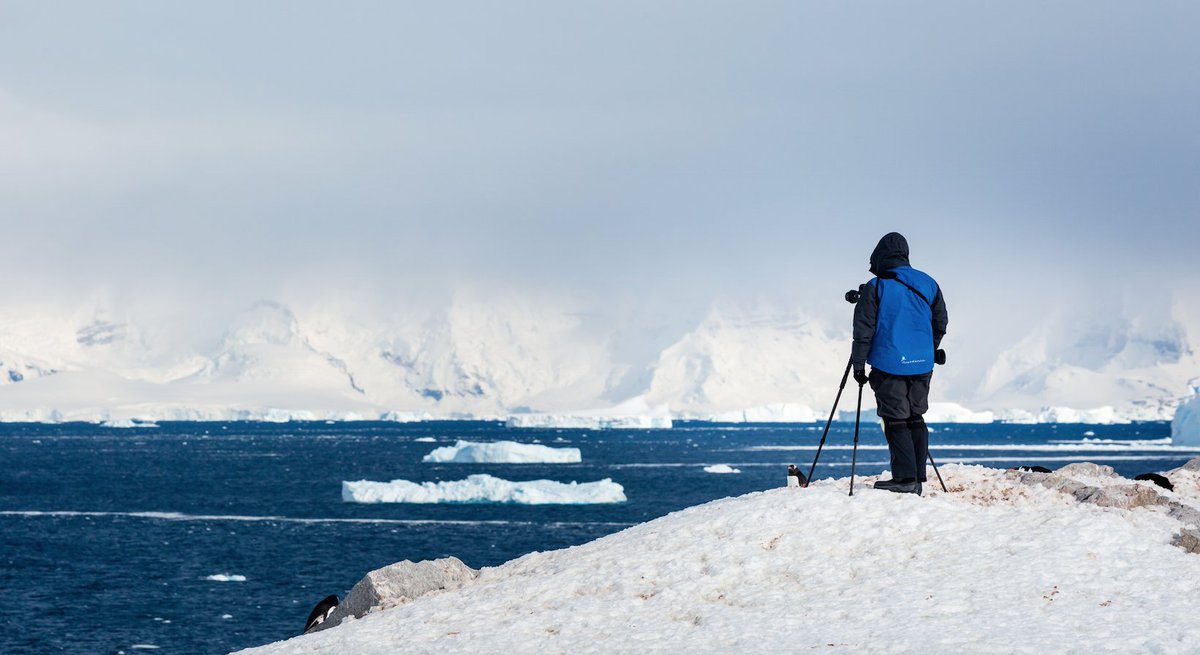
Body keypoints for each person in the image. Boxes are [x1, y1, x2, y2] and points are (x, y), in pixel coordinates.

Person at [851, 232, 948, 495]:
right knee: (915, 416)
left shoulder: (877, 286)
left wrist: (858, 365)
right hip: (923, 364)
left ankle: (905, 480)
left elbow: (864, 330)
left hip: (889, 362)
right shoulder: (929, 283)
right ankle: (917, 476)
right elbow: (940, 323)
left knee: (895, 420)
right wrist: (928, 348)